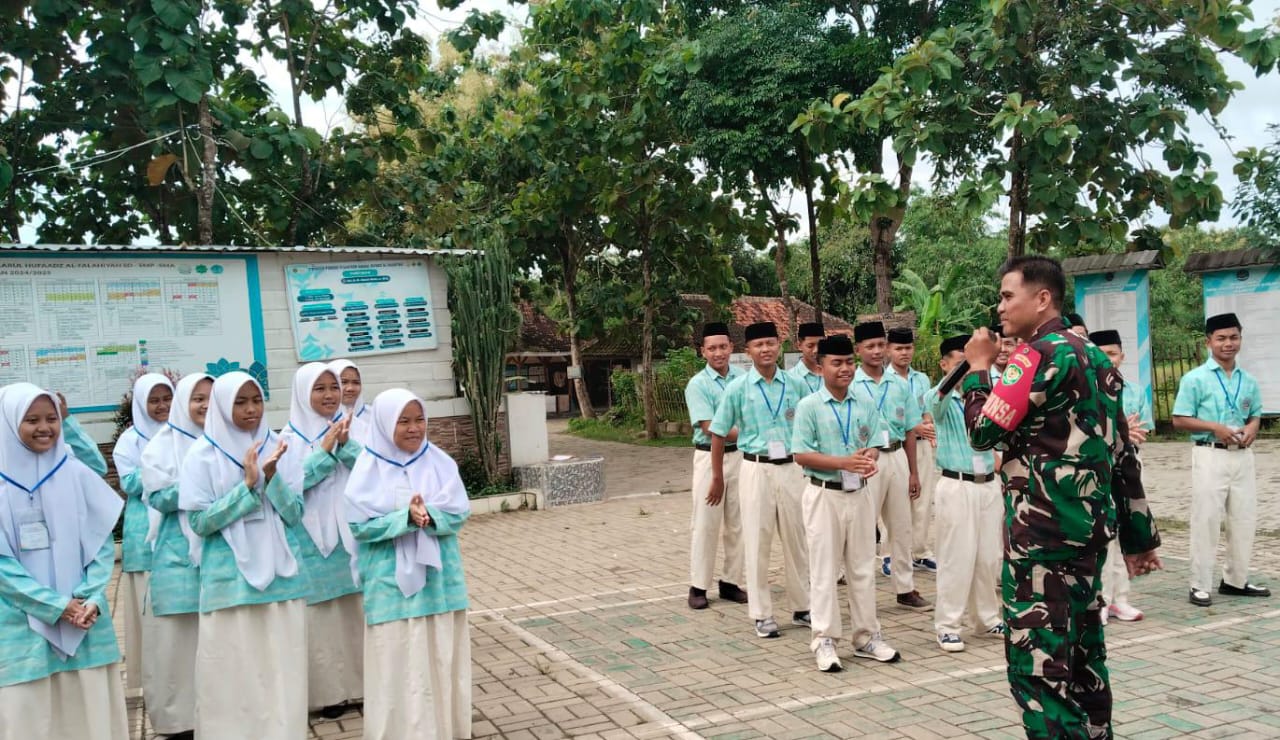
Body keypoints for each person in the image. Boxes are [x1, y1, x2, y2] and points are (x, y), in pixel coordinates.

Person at [961, 255, 1161, 739]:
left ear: (1042, 298)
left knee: (1041, 675)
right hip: (1086, 537)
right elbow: (1120, 453)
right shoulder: (1095, 358)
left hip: (1040, 544)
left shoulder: (1034, 356)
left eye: (1008, 296)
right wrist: (1139, 537)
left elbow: (982, 432)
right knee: (1086, 664)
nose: (1000, 306)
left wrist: (978, 369)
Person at [179, 371, 308, 740]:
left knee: (281, 669)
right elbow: (201, 522)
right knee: (234, 671)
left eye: (256, 400)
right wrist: (248, 489)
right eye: (240, 402)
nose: (251, 410)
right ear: (222, 405)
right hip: (229, 584)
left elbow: (295, 514)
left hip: (281, 581)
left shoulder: (281, 445)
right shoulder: (201, 455)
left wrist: (272, 477)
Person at [0, 383, 128, 740]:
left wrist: (90, 599)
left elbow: (101, 542)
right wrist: (57, 606)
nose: (45, 428)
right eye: (31, 420)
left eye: (51, 418)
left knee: (88, 714)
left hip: (86, 621)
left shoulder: (73, 474)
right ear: (9, 423)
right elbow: (2, 568)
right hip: (18, 629)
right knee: (31, 718)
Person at [345, 389, 472, 740]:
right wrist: (403, 518)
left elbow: (459, 513)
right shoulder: (367, 468)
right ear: (385, 425)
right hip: (389, 588)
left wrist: (430, 516)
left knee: (438, 656)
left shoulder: (440, 462)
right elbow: (359, 527)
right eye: (403, 421)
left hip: (439, 584)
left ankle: (444, 730)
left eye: (419, 420)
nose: (414, 429)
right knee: (398, 662)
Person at [792, 335, 900, 671]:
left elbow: (877, 440)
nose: (845, 369)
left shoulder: (864, 401)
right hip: (824, 494)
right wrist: (843, 463)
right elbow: (800, 454)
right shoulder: (809, 406)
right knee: (824, 570)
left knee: (862, 568)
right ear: (820, 365)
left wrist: (869, 456)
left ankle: (867, 636)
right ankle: (824, 640)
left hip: (859, 494)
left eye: (848, 362)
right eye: (836, 363)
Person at [709, 321, 810, 638]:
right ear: (747, 351)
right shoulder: (738, 388)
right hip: (754, 469)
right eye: (758, 345)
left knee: (798, 539)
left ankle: (804, 605)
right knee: (757, 541)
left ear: (779, 346)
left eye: (770, 343)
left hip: (792, 468)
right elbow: (718, 431)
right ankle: (762, 614)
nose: (765, 349)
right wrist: (717, 478)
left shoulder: (795, 386)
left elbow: (811, 426)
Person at [278, 363, 366, 718]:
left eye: (334, 387)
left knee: (354, 613)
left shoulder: (354, 427)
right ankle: (329, 694)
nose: (331, 395)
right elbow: (290, 488)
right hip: (310, 541)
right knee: (322, 619)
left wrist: (343, 445)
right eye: (320, 388)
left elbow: (372, 470)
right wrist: (325, 452)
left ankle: (361, 686)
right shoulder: (287, 438)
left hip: (350, 535)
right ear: (303, 393)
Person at [1172, 312, 1269, 606]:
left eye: (1234, 337)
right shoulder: (1194, 379)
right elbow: (1179, 419)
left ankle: (1235, 580)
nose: (1228, 344)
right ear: (1208, 342)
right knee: (1207, 519)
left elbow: (1255, 413)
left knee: (1243, 518)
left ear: (1241, 338)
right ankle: (1199, 584)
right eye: (1221, 338)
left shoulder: (1248, 380)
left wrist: (1253, 426)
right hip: (1209, 454)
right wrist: (1214, 427)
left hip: (1242, 456)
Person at [139, 372, 213, 740]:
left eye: (211, 397)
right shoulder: (161, 445)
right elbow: (157, 496)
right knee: (177, 644)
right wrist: (201, 482)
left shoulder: (226, 441)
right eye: (197, 398)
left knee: (214, 641)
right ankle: (179, 720)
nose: (205, 405)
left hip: (219, 554)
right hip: (176, 555)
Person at [929, 335, 1004, 653]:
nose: (965, 363)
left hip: (988, 483)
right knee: (956, 558)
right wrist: (969, 363)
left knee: (989, 557)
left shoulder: (985, 393)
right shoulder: (939, 397)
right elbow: (939, 397)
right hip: (956, 485)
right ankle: (947, 625)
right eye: (957, 358)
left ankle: (986, 618)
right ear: (945, 364)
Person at [853, 321, 929, 608]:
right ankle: (862, 589)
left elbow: (911, 429)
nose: (875, 351)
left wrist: (913, 472)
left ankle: (905, 587)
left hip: (896, 454)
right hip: (866, 460)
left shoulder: (899, 385)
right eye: (869, 346)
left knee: (902, 524)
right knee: (863, 525)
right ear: (858, 349)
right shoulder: (852, 385)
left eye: (879, 345)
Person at [111, 372, 174, 692]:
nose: (162, 406)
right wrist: (166, 471)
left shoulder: (184, 433)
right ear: (140, 403)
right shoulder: (130, 440)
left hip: (179, 532)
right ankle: (154, 684)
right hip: (143, 539)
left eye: (167, 398)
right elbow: (130, 483)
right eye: (154, 400)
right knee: (149, 618)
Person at [1088, 330, 1154, 624]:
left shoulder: (1135, 391)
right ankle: (1100, 599)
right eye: (1101, 354)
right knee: (1103, 536)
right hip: (1097, 469)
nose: (1107, 360)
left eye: (1112, 354)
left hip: (1128, 467)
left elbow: (1143, 429)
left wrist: (1126, 436)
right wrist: (1123, 433)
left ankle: (1120, 599)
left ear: (1122, 356)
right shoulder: (1089, 390)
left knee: (1124, 530)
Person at [683, 322, 748, 610]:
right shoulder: (698, 384)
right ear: (703, 352)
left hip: (742, 458)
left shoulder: (744, 378)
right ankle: (698, 586)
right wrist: (751, 434)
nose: (718, 353)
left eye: (723, 346)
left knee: (738, 523)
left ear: (732, 348)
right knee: (706, 522)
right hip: (710, 457)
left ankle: (731, 582)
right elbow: (710, 427)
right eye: (712, 348)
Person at [887, 326, 939, 573]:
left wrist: (928, 423)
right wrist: (916, 426)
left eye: (908, 348)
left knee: (923, 498)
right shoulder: (883, 380)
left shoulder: (921, 379)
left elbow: (926, 408)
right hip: (896, 447)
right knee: (895, 500)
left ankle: (920, 550)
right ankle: (890, 554)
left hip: (922, 446)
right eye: (898, 348)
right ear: (889, 350)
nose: (904, 353)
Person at [55, 391, 108, 475]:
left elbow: (98, 468)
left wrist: (65, 421)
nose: (42, 427)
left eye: (50, 419)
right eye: (32, 420)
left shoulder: (61, 449)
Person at [330, 359, 371, 444]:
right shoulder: (326, 420)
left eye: (356, 382)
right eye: (343, 382)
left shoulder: (373, 416)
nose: (350, 388)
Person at [788, 322, 825, 395]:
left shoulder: (831, 374)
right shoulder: (790, 377)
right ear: (799, 345)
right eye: (810, 346)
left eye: (820, 345)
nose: (816, 350)